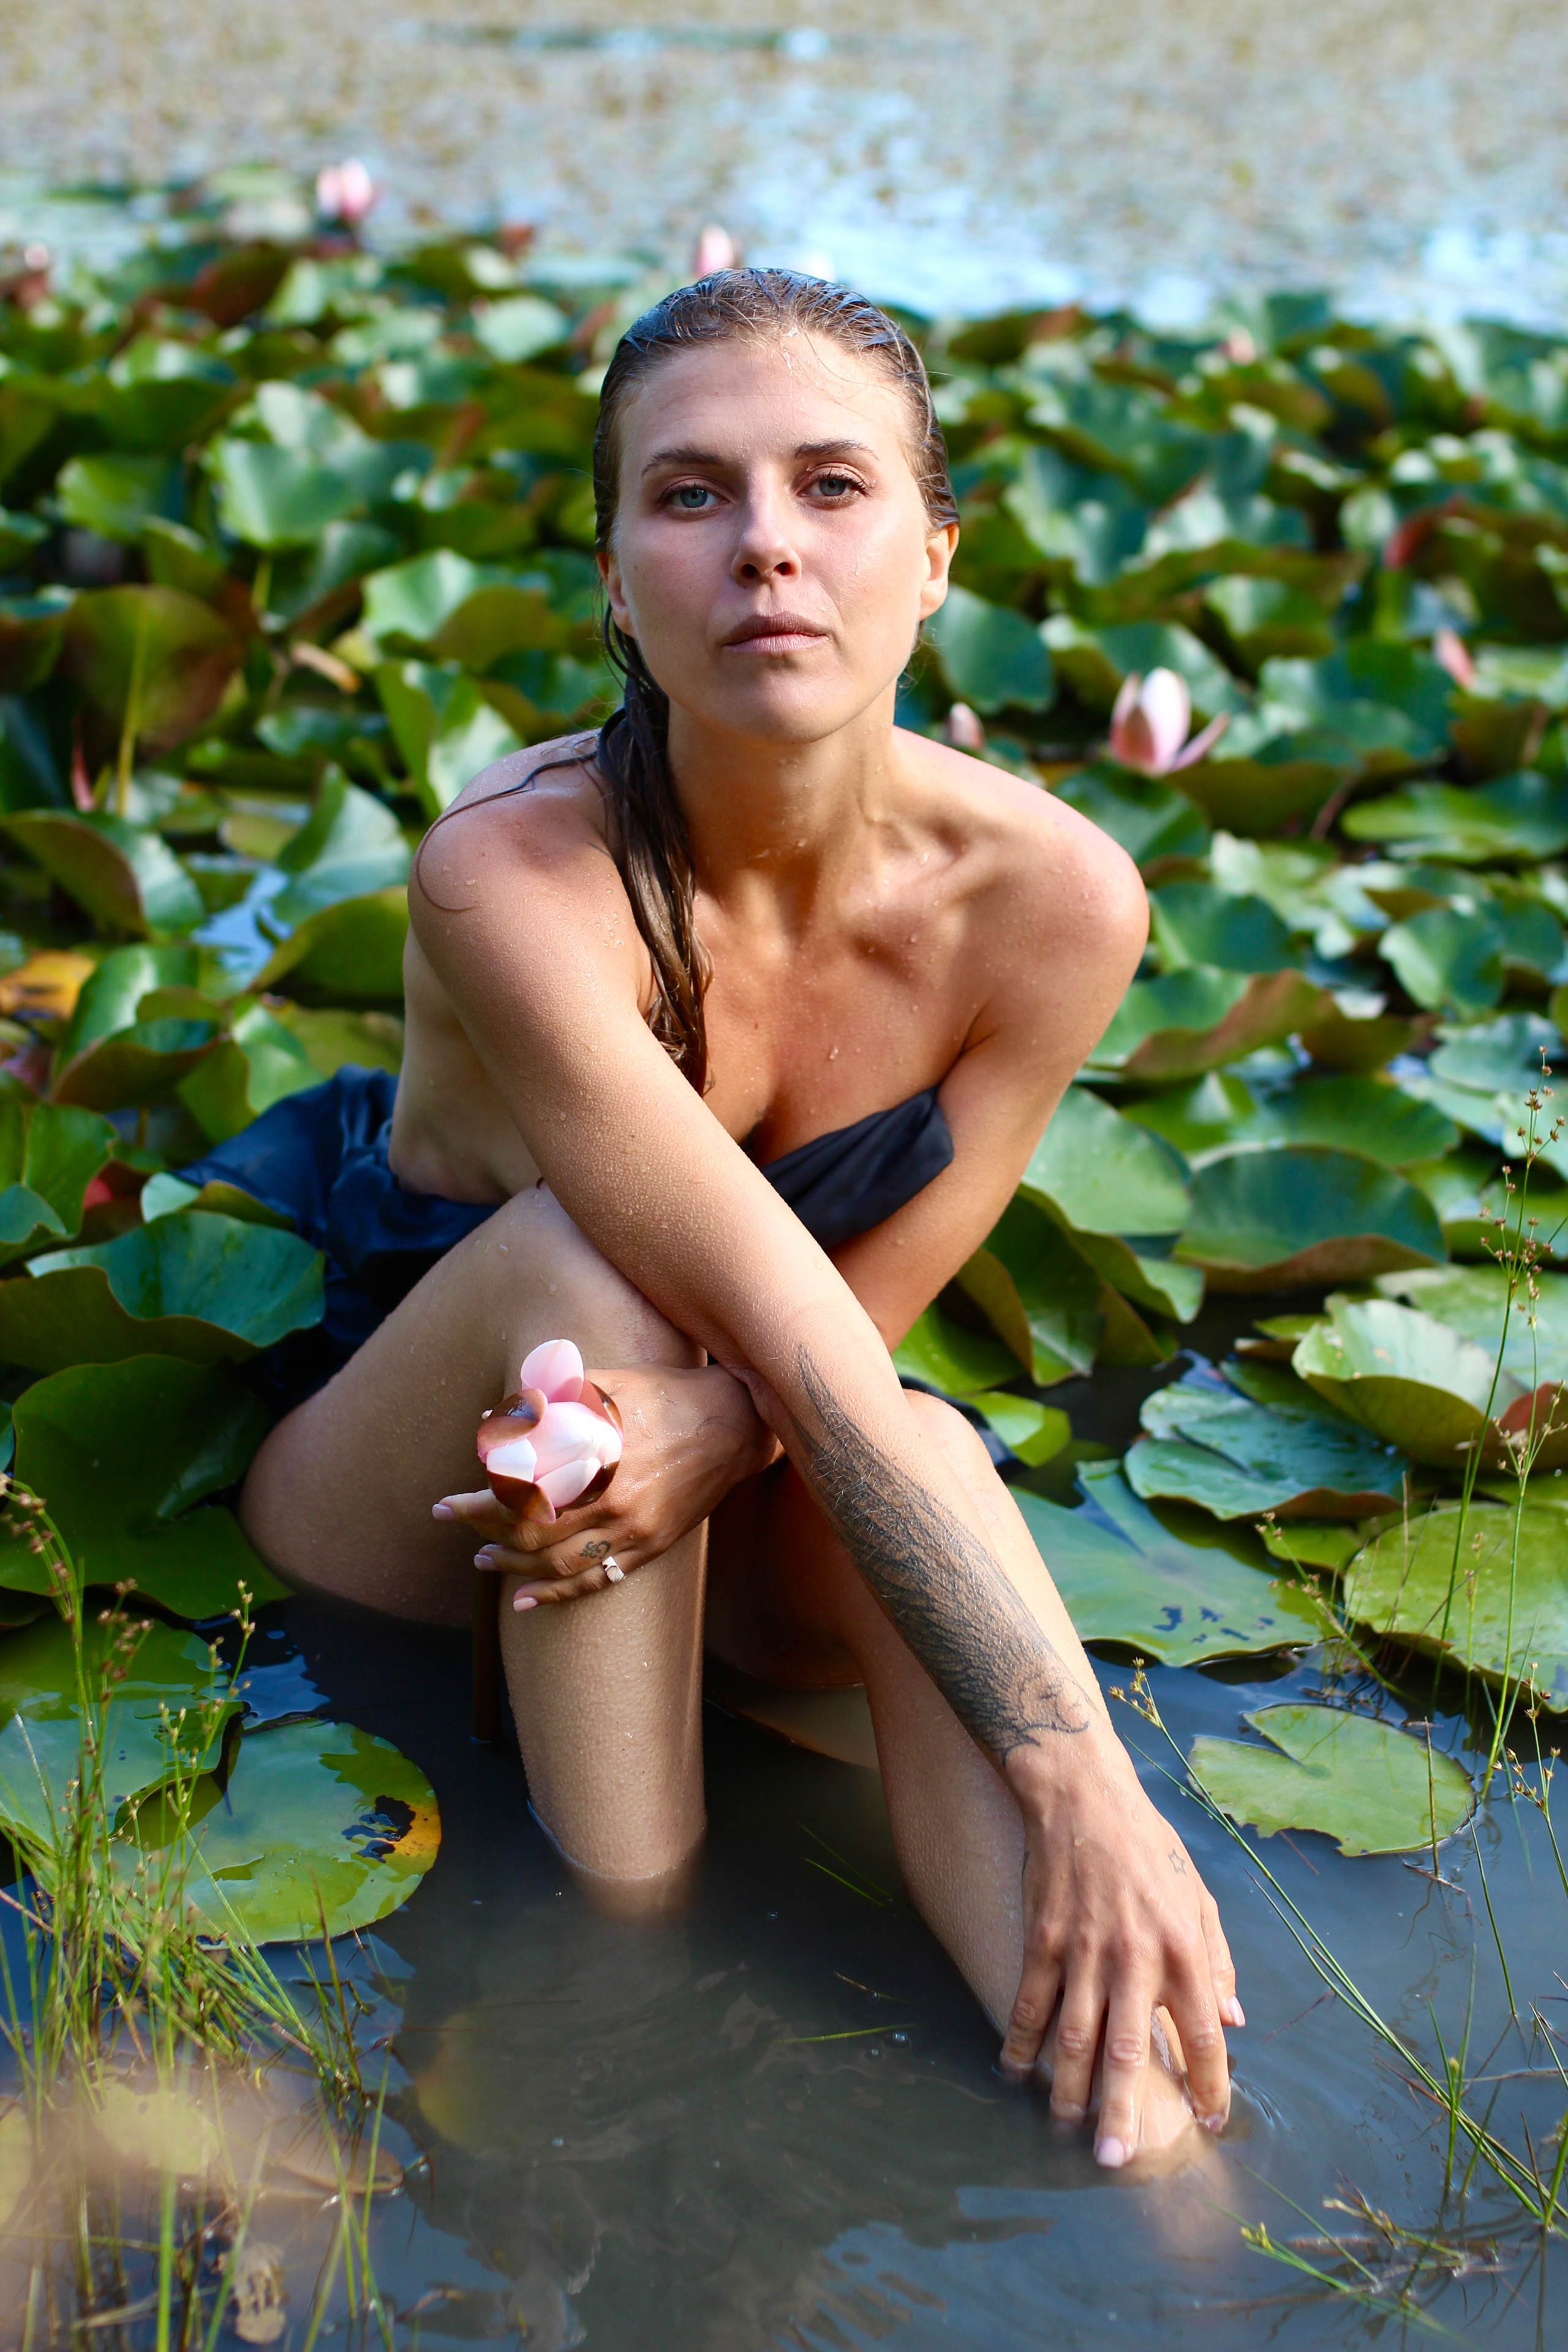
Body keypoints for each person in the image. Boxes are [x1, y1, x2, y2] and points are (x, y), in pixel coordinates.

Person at [217, 269, 1243, 2171]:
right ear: (615, 580)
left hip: (760, 1468)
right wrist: (1077, 1749)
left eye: (833, 487)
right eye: (690, 495)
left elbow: (859, 1337)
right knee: (585, 1293)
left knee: (912, 1447)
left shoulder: (1061, 904)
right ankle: (627, 1984)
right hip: (412, 1496)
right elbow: (794, 1343)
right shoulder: (507, 871)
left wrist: (1079, 1797)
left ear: (934, 557)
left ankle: (1174, 2201)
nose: (766, 545)